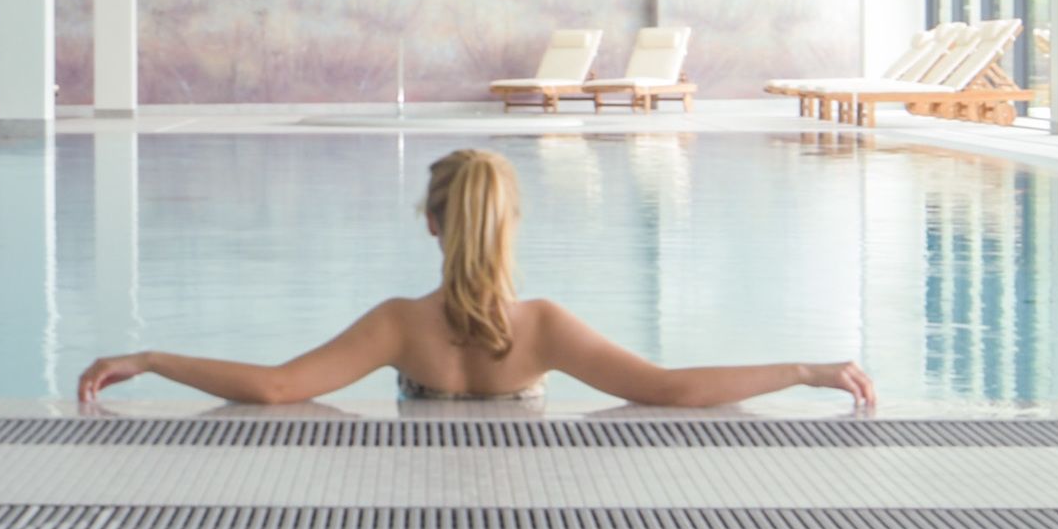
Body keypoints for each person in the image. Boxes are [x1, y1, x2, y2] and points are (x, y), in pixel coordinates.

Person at [73, 146, 875, 410]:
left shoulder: (398, 326)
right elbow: (669, 390)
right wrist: (804, 371)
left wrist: (151, 357)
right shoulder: (544, 329)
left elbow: (277, 389)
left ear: (431, 223)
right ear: (512, 223)